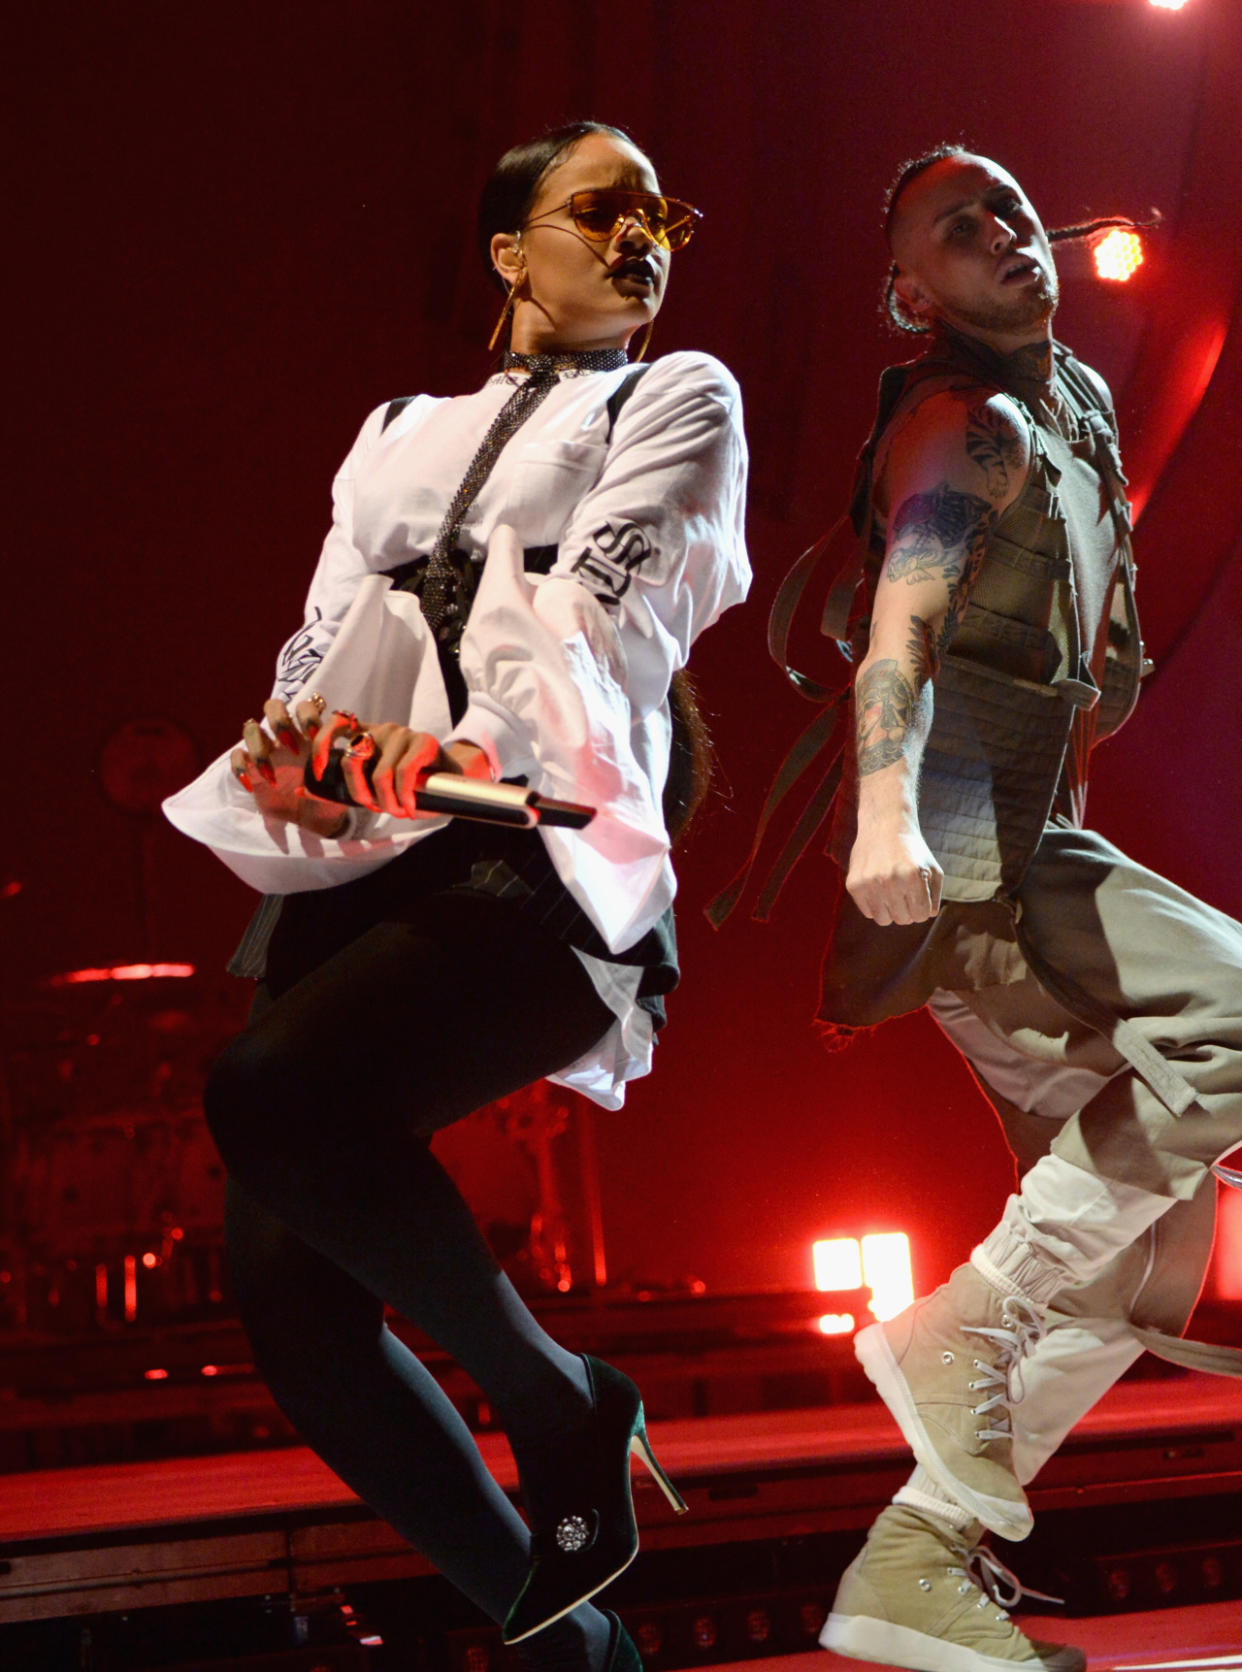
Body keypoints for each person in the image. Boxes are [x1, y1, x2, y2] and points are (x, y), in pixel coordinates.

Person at [164, 120, 749, 1672]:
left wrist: (448, 756)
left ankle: (561, 1397)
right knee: (289, 1292)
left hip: (538, 838)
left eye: (656, 215)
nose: (641, 238)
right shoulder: (394, 430)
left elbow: (608, 608)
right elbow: (321, 631)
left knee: (268, 1086)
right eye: (597, 211)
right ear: (509, 253)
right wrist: (295, 742)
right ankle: (566, 1645)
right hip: (369, 849)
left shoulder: (678, 395)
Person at [747, 147, 1241, 1672]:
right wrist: (888, 823)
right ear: (911, 294)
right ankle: (958, 1329)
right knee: (1235, 1016)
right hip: (966, 842)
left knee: (1139, 1245)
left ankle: (915, 1561)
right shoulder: (967, 421)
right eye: (958, 228)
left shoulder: (1073, 423)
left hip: (1008, 844)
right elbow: (900, 608)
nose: (1004, 235)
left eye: (1014, 210)